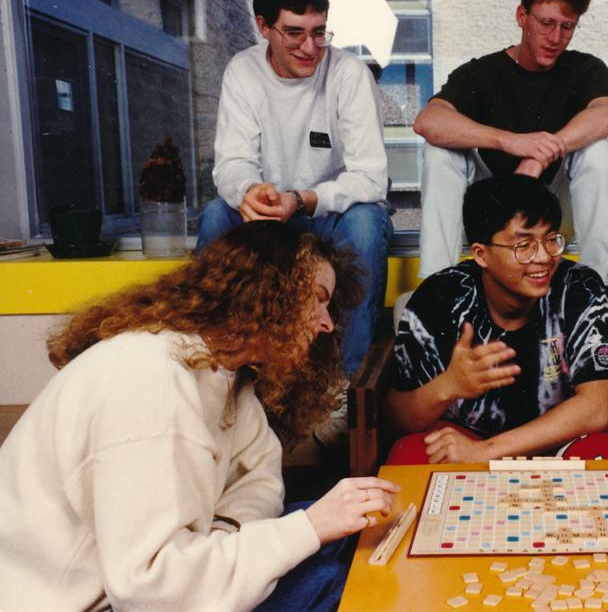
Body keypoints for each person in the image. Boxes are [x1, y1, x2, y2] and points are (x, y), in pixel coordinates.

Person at [0, 221, 400, 611]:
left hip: (165, 579)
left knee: (349, 539)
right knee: (335, 576)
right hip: (96, 600)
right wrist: (309, 527)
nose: (327, 324)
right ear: (267, 290)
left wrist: (226, 532)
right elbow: (148, 591)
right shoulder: (148, 379)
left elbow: (258, 480)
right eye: (317, 297)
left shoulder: (226, 374)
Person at [196, 0, 391, 377]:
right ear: (263, 26)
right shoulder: (243, 72)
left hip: (328, 219)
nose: (310, 47)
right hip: (270, 219)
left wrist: (302, 200)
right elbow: (231, 164)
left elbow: (372, 178)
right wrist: (249, 192)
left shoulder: (349, 74)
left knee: (368, 223)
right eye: (295, 33)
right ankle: (208, 372)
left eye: (319, 31)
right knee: (217, 214)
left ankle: (346, 389)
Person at [384, 175, 608, 464]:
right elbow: (394, 418)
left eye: (551, 239)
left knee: (605, 454)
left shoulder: (579, 287)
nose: (544, 257)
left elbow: (599, 407)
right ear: (481, 254)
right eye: (524, 246)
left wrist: (486, 452)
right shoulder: (441, 297)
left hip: (556, 442)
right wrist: (447, 386)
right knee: (410, 453)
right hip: (464, 439)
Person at [414, 0, 608, 287]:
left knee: (597, 151)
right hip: (492, 198)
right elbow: (428, 120)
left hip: (555, 199)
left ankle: (594, 286)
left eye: (567, 27)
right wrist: (510, 141)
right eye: (546, 23)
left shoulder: (585, 68)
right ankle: (437, 288)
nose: (556, 38)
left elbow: (607, 115)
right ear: (522, 16)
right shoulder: (482, 72)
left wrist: (540, 155)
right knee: (439, 152)